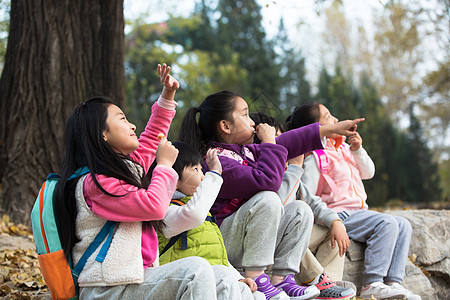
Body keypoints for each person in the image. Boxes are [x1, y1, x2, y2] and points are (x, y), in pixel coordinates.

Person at [53, 64, 244, 299]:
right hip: (106, 288)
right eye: (122, 119)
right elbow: (154, 207)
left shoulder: (125, 169)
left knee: (223, 276)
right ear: (102, 133)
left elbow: (153, 137)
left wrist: (168, 95)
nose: (132, 125)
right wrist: (163, 166)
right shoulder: (95, 184)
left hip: (135, 279)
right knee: (195, 270)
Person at [178, 90, 364, 300]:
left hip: (248, 237)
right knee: (268, 198)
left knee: (299, 211)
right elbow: (268, 181)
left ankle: (283, 279)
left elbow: (288, 141)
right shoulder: (218, 161)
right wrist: (268, 142)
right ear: (226, 126)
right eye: (245, 115)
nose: (251, 121)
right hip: (227, 241)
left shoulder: (245, 151)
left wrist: (329, 130)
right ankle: (257, 277)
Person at [285, 103, 421, 300]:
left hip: (359, 212)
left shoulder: (345, 149)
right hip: (339, 213)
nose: (335, 120)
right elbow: (307, 196)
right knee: (387, 223)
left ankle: (393, 282)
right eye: (328, 116)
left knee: (404, 225)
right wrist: (329, 220)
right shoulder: (316, 156)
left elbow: (368, 173)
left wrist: (358, 150)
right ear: (315, 128)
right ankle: (373, 282)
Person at [251, 112, 356, 300]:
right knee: (293, 228)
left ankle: (327, 286)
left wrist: (335, 221)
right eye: (279, 144)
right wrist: (294, 168)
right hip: (264, 246)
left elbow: (314, 203)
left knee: (333, 232)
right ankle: (318, 281)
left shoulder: (285, 170)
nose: (285, 151)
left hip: (284, 241)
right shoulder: (260, 174)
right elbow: (279, 208)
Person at [156, 141, 265, 300]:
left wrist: (237, 277)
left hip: (216, 280)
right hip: (186, 286)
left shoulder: (203, 215)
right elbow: (194, 213)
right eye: (195, 169)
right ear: (174, 179)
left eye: (202, 169)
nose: (202, 175)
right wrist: (214, 174)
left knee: (256, 295)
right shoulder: (166, 212)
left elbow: (218, 257)